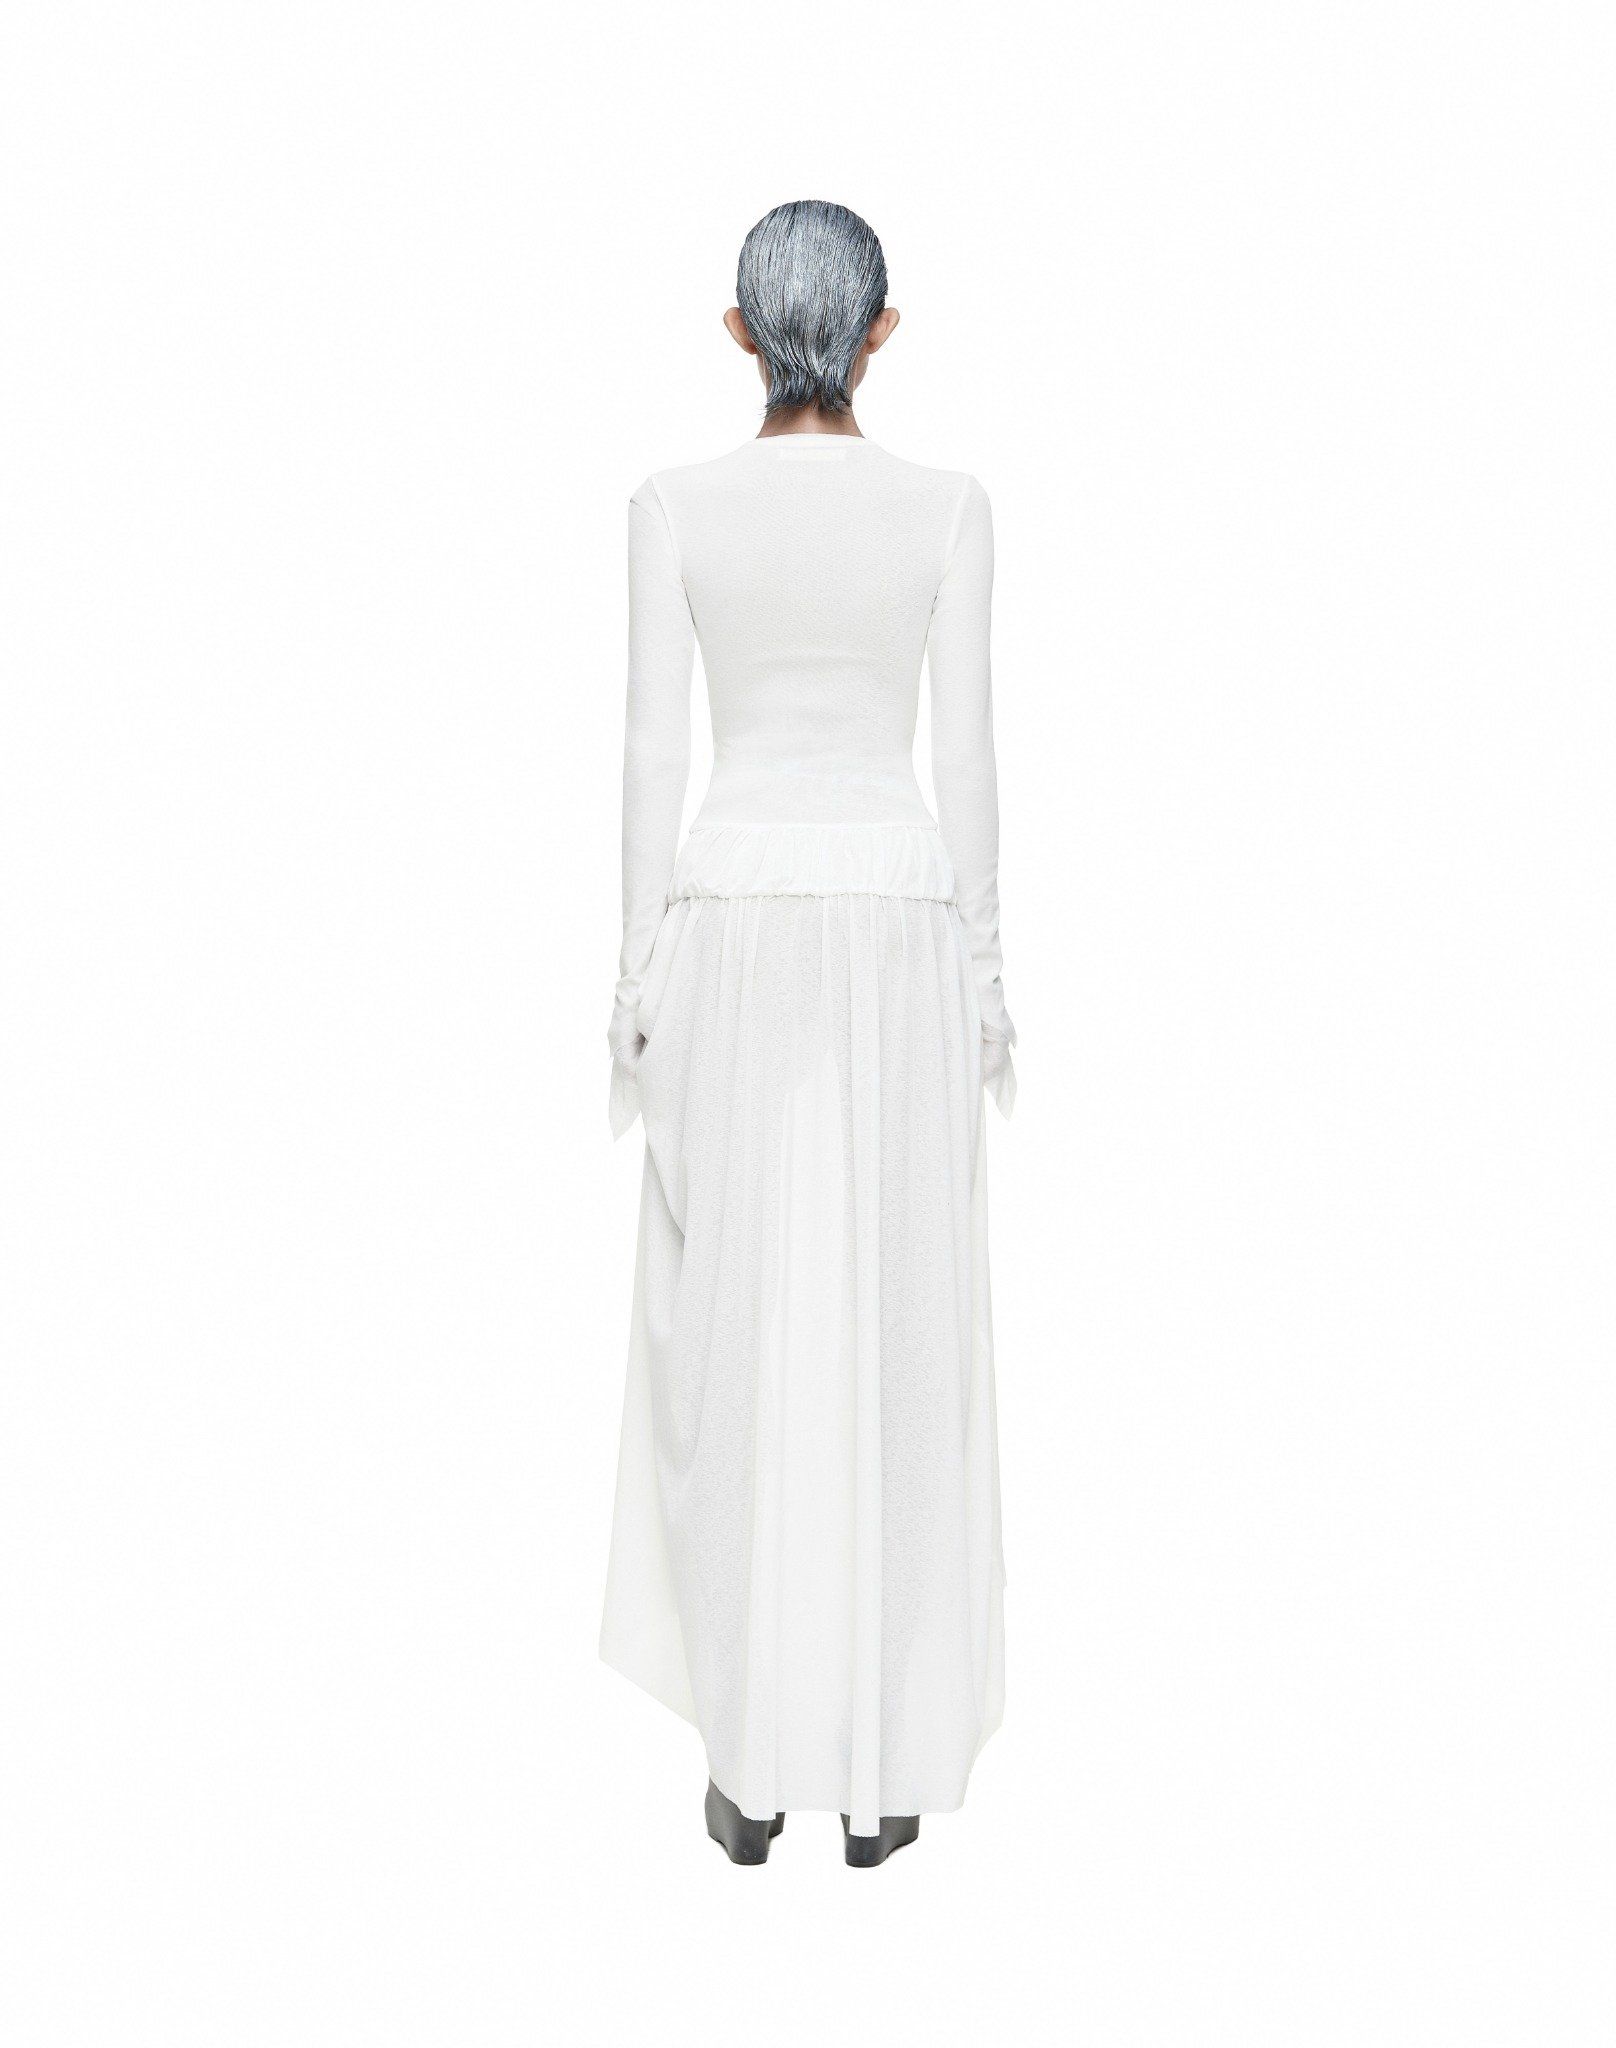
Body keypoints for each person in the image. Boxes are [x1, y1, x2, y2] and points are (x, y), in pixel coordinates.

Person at [600, 199, 1016, 1867]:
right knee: (902, 1325)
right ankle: (883, 1768)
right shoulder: (949, 509)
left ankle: (748, 1763)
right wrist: (984, 977)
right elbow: (966, 758)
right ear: (882, 333)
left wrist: (636, 979)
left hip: (731, 919)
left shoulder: (673, 507)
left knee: (732, 1327)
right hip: (899, 922)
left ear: (737, 332)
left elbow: (652, 752)